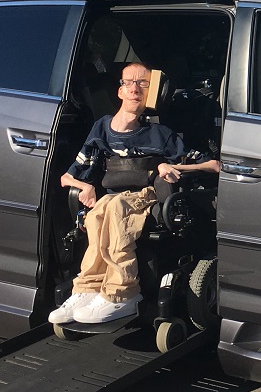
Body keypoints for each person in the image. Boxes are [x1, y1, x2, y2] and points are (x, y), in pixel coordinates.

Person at [52, 62, 220, 325]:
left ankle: (123, 293)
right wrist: (85, 187)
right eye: (128, 82)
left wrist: (172, 165)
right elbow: (67, 176)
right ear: (119, 91)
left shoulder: (159, 134)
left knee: (115, 206)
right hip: (110, 199)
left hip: (147, 196)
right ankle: (88, 288)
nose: (135, 88)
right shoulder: (101, 129)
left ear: (151, 92)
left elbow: (212, 164)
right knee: (100, 210)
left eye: (143, 83)